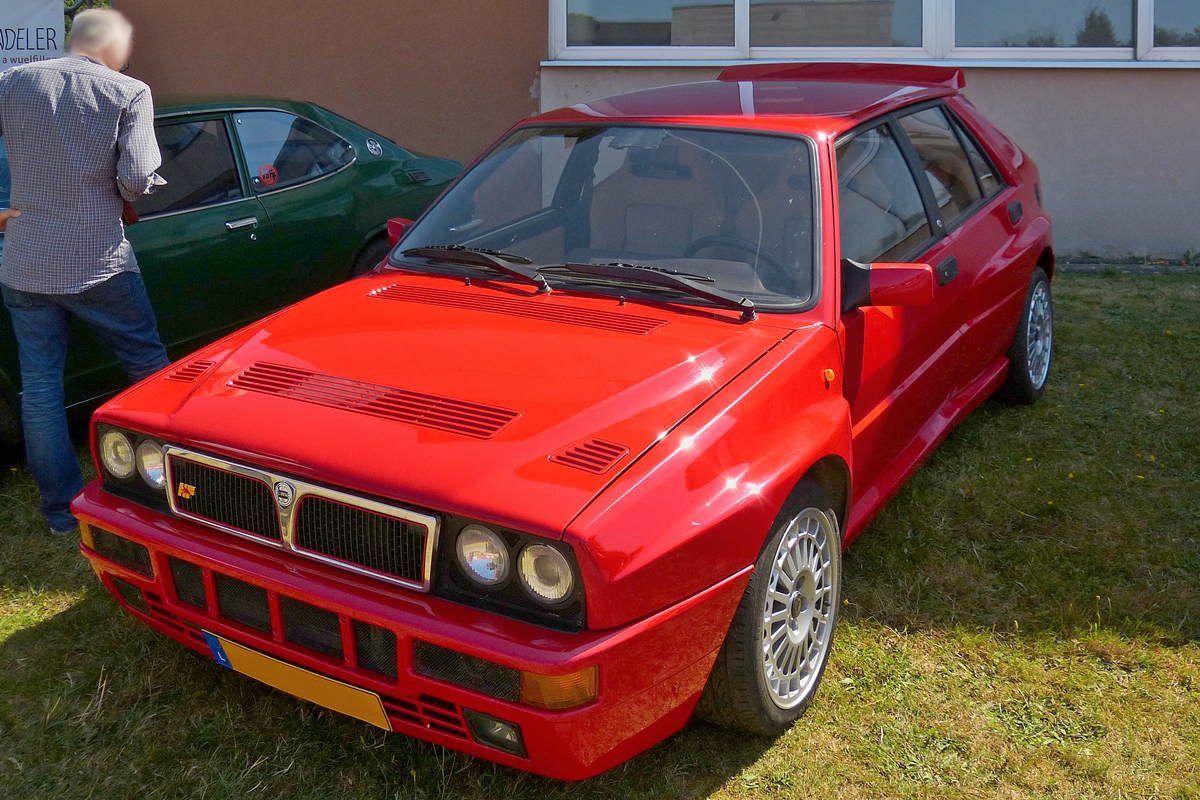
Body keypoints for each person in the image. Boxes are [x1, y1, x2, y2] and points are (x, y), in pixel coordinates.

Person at [0, 9, 170, 537]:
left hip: (25, 264)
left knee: (40, 390)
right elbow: (137, 176)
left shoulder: (12, 82)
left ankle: (61, 513)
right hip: (97, 262)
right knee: (148, 367)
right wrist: (125, 188)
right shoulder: (128, 92)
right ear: (110, 45)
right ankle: (169, 487)